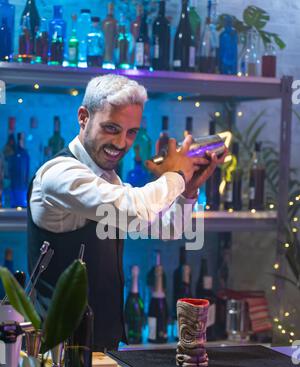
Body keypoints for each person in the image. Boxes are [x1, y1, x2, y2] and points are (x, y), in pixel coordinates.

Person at [27, 74, 223, 351]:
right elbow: (136, 211)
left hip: (104, 349)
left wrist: (188, 190)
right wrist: (178, 173)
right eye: (111, 128)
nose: (121, 143)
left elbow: (167, 229)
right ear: (83, 117)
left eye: (131, 132)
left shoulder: (108, 179)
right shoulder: (59, 174)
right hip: (58, 353)